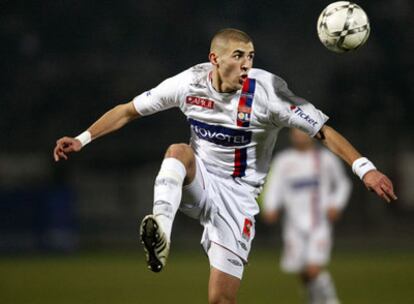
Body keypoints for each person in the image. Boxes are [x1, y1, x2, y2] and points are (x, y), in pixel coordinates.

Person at [53, 28, 397, 304]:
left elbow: (322, 131)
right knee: (177, 151)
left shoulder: (269, 93)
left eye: (251, 56)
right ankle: (161, 231)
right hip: (200, 180)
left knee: (221, 299)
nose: (247, 64)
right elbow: (128, 110)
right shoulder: (189, 84)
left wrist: (365, 169)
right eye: (238, 56)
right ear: (214, 59)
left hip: (239, 199)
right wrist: (82, 139)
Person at [263, 128, 352, 304]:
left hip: (319, 223)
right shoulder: (284, 160)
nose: (300, 136)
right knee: (302, 271)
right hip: (293, 225)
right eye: (296, 133)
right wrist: (270, 207)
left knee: (313, 269)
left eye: (303, 132)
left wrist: (336, 204)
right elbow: (274, 186)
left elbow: (343, 183)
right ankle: (315, 300)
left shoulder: (325, 159)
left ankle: (331, 300)